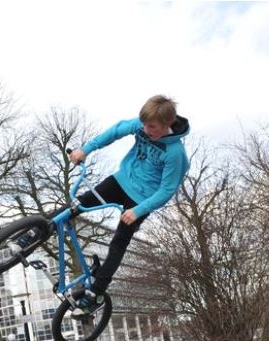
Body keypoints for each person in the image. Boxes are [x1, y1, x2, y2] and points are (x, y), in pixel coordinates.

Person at [67, 95, 190, 316]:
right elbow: (115, 131)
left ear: (167, 125)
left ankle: (95, 294)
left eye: (151, 127)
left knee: (119, 241)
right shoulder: (143, 124)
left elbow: (167, 190)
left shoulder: (175, 154)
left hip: (141, 199)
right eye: (143, 124)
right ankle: (40, 228)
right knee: (81, 202)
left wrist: (139, 210)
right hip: (122, 180)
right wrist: (86, 149)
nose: (145, 129)